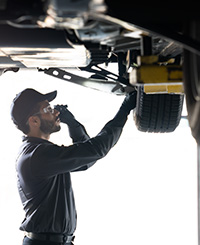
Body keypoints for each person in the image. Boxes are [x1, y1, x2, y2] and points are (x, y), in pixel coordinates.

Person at [10, 88, 137, 245]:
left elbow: (86, 161)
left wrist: (73, 124)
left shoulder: (39, 152)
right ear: (34, 121)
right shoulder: (38, 155)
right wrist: (124, 110)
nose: (56, 112)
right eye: (48, 109)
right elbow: (95, 149)